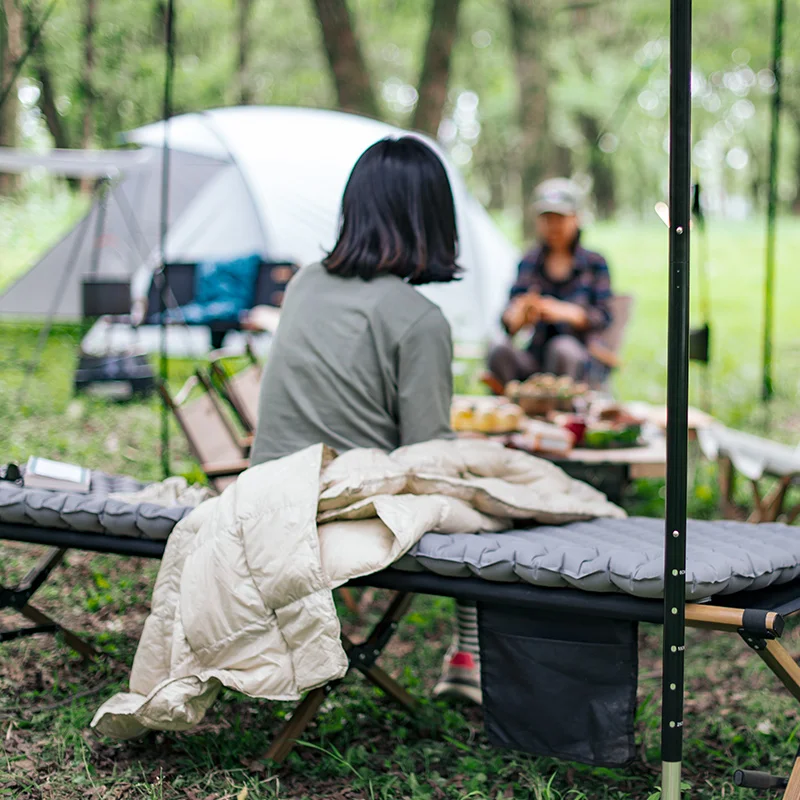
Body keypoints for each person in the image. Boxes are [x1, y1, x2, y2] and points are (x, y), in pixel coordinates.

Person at [250, 136, 483, 704]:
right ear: (431, 218)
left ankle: (469, 659)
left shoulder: (304, 281)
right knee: (483, 506)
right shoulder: (419, 320)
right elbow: (427, 450)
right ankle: (469, 659)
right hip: (336, 503)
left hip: (263, 494)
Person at [487, 178, 613, 388]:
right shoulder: (529, 261)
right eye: (547, 219)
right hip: (535, 357)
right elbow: (508, 319)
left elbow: (604, 317)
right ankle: (515, 407)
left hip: (580, 359)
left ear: (576, 218)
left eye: (560, 218)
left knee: (562, 348)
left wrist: (564, 311)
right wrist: (519, 316)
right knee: (498, 349)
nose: (553, 226)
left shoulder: (594, 263)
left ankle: (561, 412)